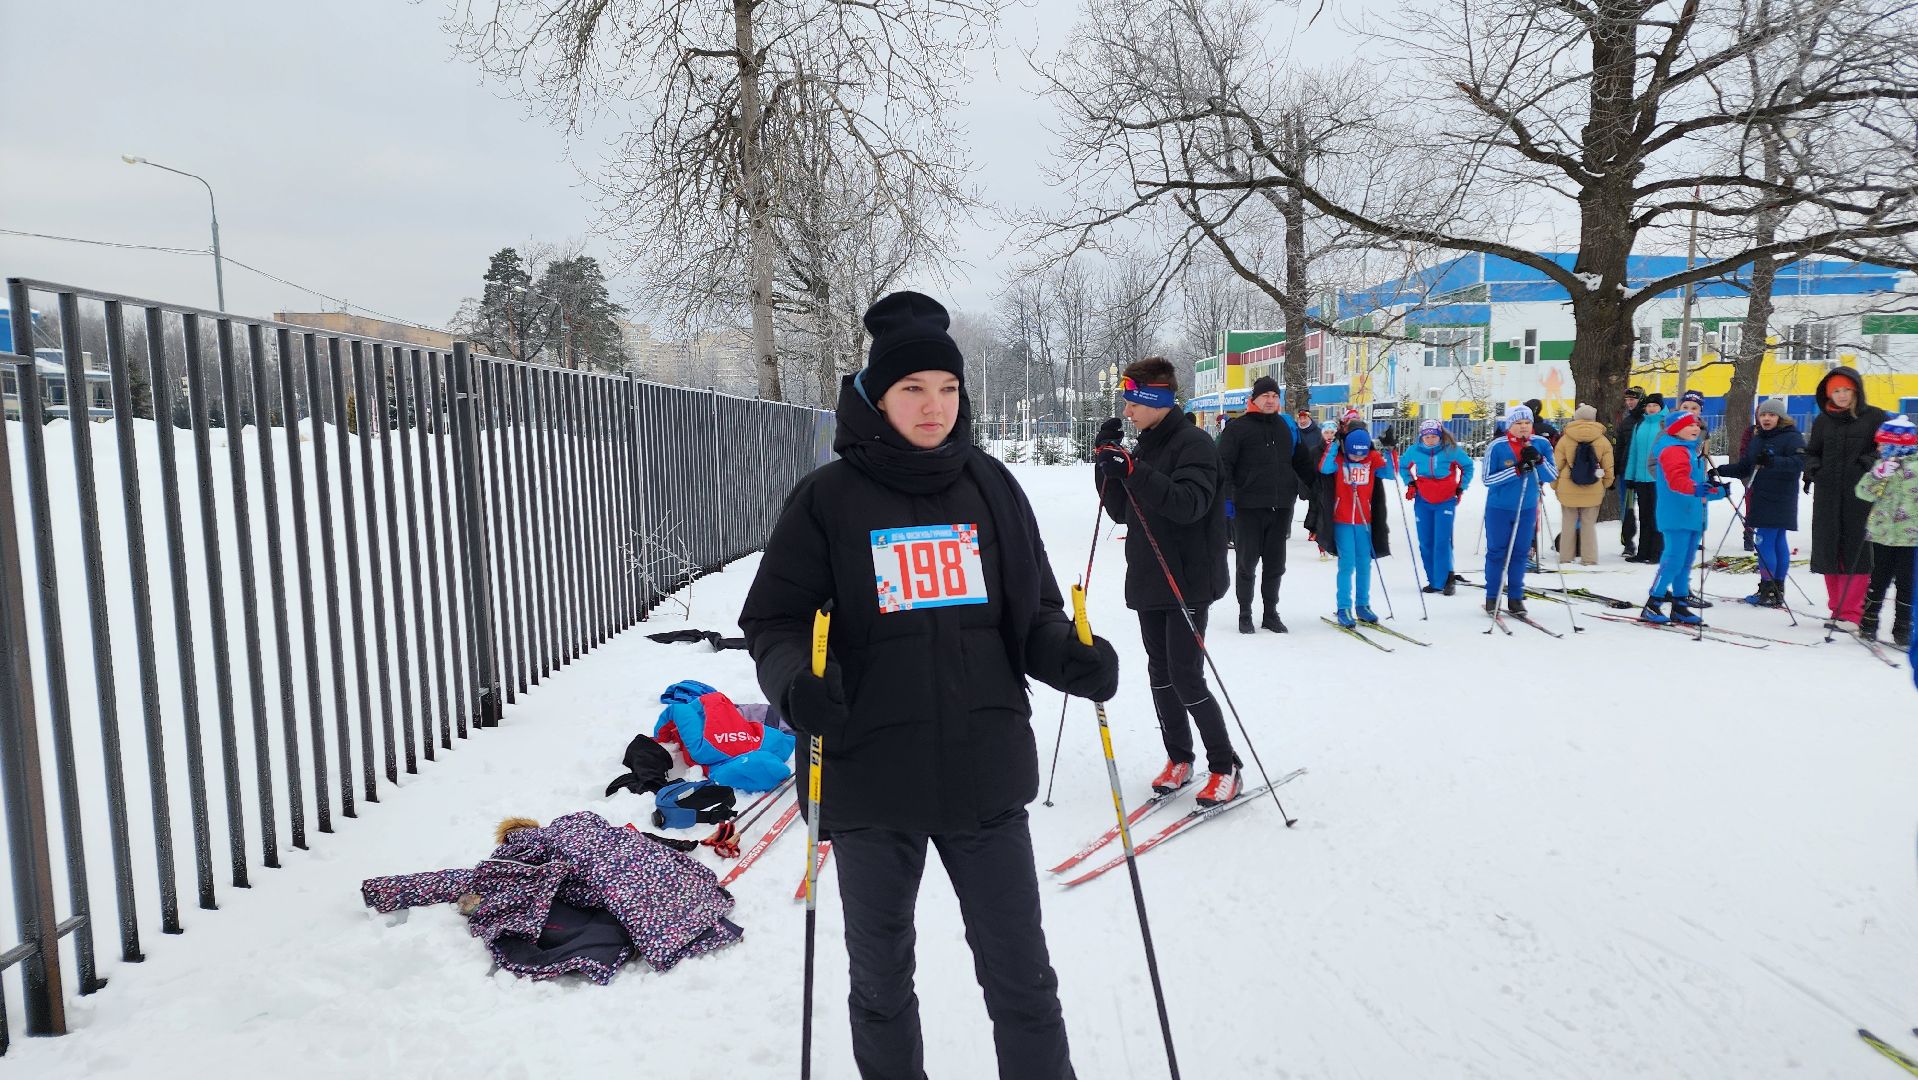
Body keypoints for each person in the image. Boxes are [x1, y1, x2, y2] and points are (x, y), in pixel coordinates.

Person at [739, 291, 1115, 1080]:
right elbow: (773, 621)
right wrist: (795, 684)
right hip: (871, 780)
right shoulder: (828, 500)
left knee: (1023, 982)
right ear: (876, 395)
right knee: (881, 987)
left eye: (947, 388)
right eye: (912, 388)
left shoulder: (993, 489)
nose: (933, 405)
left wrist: (1067, 655)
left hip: (984, 776)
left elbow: (1034, 613)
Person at [1092, 357, 1241, 805]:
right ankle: (1180, 757)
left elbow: (1189, 504)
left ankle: (1225, 765)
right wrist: (1108, 462)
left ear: (1156, 399)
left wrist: (1135, 471)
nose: (1128, 409)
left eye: (1134, 401)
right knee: (1160, 676)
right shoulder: (1146, 445)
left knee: (1186, 678)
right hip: (1150, 577)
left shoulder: (1194, 443)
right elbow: (1121, 510)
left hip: (1188, 580)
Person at [1218, 375, 1316, 633]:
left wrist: (1317, 488)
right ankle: (1245, 614)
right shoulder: (1238, 428)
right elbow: (1223, 465)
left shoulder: (1286, 427)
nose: (1271, 401)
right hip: (1247, 507)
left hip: (1280, 505)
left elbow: (1302, 462)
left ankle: (1270, 614)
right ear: (1254, 399)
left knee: (1275, 565)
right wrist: (1227, 499)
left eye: (1274, 396)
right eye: (1266, 396)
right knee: (1246, 564)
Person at [1804, 366, 1890, 628]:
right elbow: (1812, 451)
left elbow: (1886, 449)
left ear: (1856, 391)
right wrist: (1812, 468)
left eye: (1846, 390)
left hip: (1860, 494)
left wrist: (1866, 463)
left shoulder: (1874, 417)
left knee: (1857, 550)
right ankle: (1836, 609)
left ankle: (1852, 612)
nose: (1841, 396)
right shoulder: (1823, 420)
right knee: (1829, 550)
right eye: (1836, 391)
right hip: (1828, 493)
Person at [1637, 411, 1727, 625]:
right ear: (1676, 429)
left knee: (1685, 562)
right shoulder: (1672, 451)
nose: (1695, 429)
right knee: (1673, 561)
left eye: (1696, 425)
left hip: (1692, 514)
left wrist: (1718, 491)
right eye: (1689, 426)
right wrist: (1698, 489)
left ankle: (1680, 606)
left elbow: (1698, 485)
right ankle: (1654, 602)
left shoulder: (1689, 451)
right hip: (1676, 514)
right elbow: (1677, 482)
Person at [1714, 398, 1805, 608]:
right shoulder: (1759, 438)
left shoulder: (1791, 437)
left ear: (1780, 418)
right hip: (1763, 494)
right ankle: (1775, 590)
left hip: (1779, 496)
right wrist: (1721, 470)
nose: (1766, 418)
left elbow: (1799, 463)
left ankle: (1769, 589)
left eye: (1771, 415)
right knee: (1775, 540)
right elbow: (1747, 465)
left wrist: (1773, 461)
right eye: (1763, 415)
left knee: (1766, 541)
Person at [1481, 405, 1556, 615]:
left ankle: (1515, 597)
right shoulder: (1497, 446)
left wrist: (1538, 461)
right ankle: (1492, 596)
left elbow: (1552, 475)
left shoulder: (1541, 443)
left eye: (1527, 423)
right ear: (1510, 425)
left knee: (1521, 553)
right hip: (1500, 508)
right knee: (1497, 552)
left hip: (1527, 507)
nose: (1523, 427)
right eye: (1518, 423)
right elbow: (1487, 479)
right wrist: (1516, 469)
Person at [1317, 424, 1390, 628]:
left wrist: (1390, 450)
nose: (1357, 458)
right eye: (1353, 454)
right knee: (1347, 564)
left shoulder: (1372, 460)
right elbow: (1324, 468)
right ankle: (1343, 607)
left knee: (1364, 564)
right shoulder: (1339, 460)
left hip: (1364, 521)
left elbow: (1391, 473)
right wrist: (1334, 445)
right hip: (1342, 520)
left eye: (1361, 454)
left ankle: (1363, 605)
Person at [1855, 415, 1918, 646]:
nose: (1879, 447)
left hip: (1910, 538)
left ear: (1899, 444)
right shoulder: (1882, 466)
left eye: (1883, 443)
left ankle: (1903, 628)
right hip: (1882, 534)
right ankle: (1868, 623)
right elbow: (1863, 493)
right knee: (1878, 579)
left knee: (1907, 583)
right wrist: (1877, 475)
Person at [1397, 419, 1475, 595]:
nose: (1430, 440)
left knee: (1442, 541)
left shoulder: (1450, 450)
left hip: (1445, 499)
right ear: (1421, 437)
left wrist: (1461, 486)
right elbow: (1403, 467)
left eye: (1434, 436)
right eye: (1427, 436)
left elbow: (1468, 467)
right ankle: (1434, 580)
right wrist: (1410, 483)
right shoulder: (1414, 450)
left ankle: (1446, 578)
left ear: (1440, 436)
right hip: (1423, 500)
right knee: (1426, 542)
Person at [1551, 403, 1614, 565]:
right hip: (1593, 485)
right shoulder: (1603, 440)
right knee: (1588, 524)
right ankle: (1589, 558)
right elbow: (1608, 466)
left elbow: (1557, 464)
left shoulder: (1565, 439)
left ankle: (1565, 557)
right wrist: (1606, 482)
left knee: (1568, 523)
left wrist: (1555, 484)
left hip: (1568, 486)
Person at [1622, 394, 1667, 564]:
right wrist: (1630, 475)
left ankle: (1657, 551)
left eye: (1655, 405)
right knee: (1644, 515)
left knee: (1657, 516)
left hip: (1658, 478)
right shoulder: (1639, 425)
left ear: (1661, 407)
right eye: (1648, 406)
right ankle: (1643, 551)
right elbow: (1633, 452)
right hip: (1641, 478)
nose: (1651, 409)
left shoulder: (1665, 425)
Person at [1615, 387, 1646, 558]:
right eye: (1627, 400)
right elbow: (1619, 448)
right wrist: (1616, 470)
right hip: (1626, 473)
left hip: (1645, 473)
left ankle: (1648, 542)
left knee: (1647, 508)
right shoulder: (1626, 422)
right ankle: (1628, 542)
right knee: (1627, 509)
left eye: (1632, 399)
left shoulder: (1648, 420)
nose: (1629, 403)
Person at [1295, 409, 1326, 547]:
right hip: (1296, 469)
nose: (1302, 421)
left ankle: (1314, 529)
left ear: (1309, 418)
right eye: (1300, 418)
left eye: (1304, 418)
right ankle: (1284, 530)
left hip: (1313, 470)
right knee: (1289, 499)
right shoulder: (1295, 431)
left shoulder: (1318, 432)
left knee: (1315, 501)